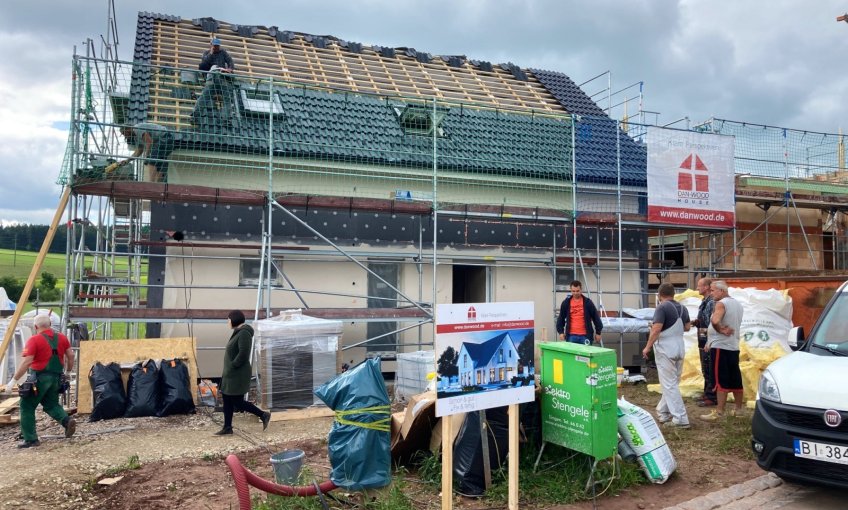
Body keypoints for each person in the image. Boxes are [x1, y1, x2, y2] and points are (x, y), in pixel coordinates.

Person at [4, 314, 76, 448]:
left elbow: (27, 362)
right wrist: (68, 372)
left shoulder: (34, 340)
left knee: (26, 405)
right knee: (51, 404)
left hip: (39, 378)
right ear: (49, 324)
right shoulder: (62, 338)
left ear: (36, 326)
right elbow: (71, 355)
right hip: (56, 378)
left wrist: (13, 381)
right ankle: (67, 421)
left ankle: (30, 439)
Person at [642, 283, 691, 428]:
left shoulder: (662, 307)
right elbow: (687, 327)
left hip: (665, 349)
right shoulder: (683, 308)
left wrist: (647, 347)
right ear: (674, 293)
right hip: (680, 347)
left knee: (669, 385)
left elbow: (656, 329)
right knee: (672, 384)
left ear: (659, 294)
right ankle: (662, 411)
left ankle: (681, 419)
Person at [215, 309, 270, 435]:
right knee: (227, 399)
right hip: (230, 374)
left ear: (234, 320)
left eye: (228, 319)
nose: (227, 322)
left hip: (237, 374)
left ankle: (263, 415)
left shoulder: (244, 333)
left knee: (237, 401)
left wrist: (233, 365)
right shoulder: (238, 332)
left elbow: (243, 353)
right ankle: (227, 427)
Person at [700, 280, 745, 421]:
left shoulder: (721, 303)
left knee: (720, 380)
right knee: (735, 378)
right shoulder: (737, 304)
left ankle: (719, 412)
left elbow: (715, 321)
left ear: (722, 291)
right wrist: (710, 340)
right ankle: (738, 409)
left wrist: (720, 330)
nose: (711, 293)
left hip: (721, 347)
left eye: (713, 290)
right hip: (733, 346)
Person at [106, 123, 174, 183]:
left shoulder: (137, 128)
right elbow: (139, 151)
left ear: (128, 129)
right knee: (160, 162)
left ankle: (152, 183)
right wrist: (127, 160)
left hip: (166, 137)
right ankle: (158, 184)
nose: (125, 136)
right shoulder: (136, 138)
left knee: (152, 159)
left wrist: (147, 156)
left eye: (124, 133)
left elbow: (149, 142)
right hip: (163, 141)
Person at [192, 37, 236, 124]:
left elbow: (230, 61)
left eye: (218, 46)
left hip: (222, 78)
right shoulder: (206, 54)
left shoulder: (223, 52)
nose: (216, 48)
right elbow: (203, 66)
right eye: (215, 46)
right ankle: (195, 117)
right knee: (204, 97)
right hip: (211, 79)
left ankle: (226, 120)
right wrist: (211, 54)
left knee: (227, 98)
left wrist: (229, 69)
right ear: (211, 45)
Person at [691, 277, 717, 407]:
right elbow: (703, 320)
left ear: (707, 287)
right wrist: (696, 322)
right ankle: (707, 393)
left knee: (709, 367)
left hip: (708, 340)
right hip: (703, 339)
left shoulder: (711, 302)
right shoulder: (704, 302)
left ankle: (712, 396)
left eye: (699, 285)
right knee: (705, 367)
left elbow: (711, 323)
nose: (697, 288)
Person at [555, 280, 603, 345]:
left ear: (581, 290)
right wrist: (561, 332)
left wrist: (598, 333)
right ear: (570, 290)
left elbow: (596, 317)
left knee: (585, 355)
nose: (575, 293)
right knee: (571, 355)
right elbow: (561, 318)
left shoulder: (588, 303)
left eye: (577, 291)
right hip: (571, 336)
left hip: (586, 336)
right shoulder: (566, 303)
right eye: (573, 291)